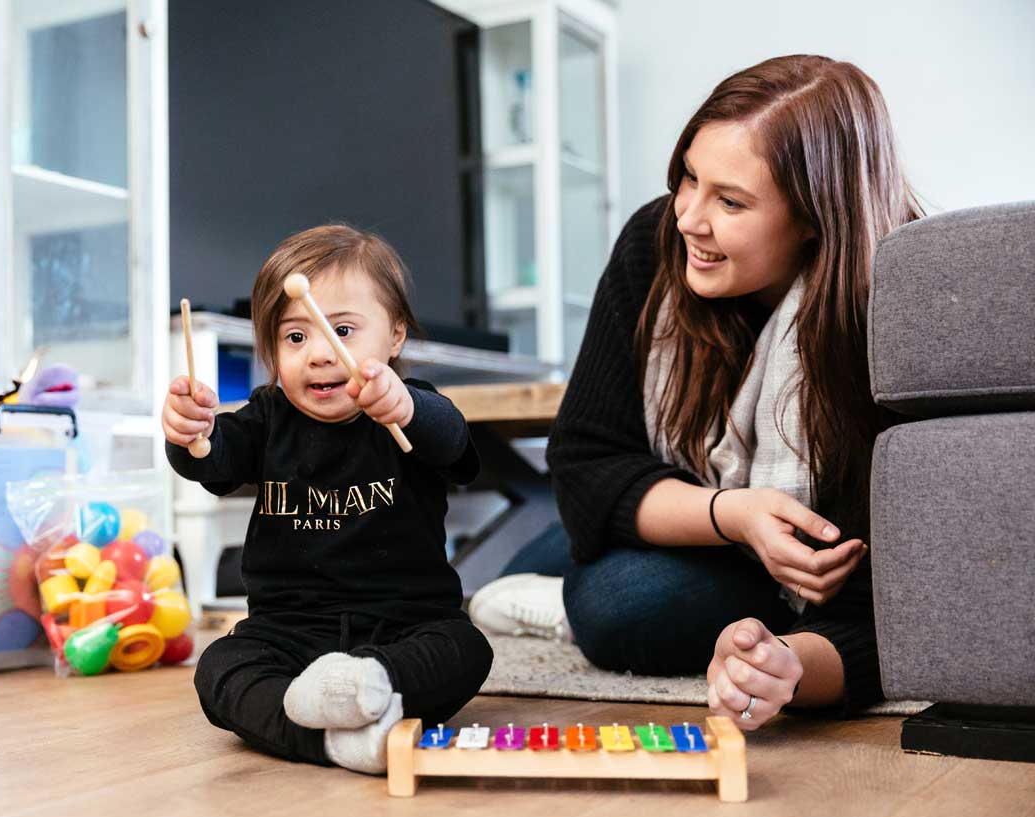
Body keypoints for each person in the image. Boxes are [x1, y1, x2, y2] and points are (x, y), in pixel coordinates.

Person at [469, 55, 922, 729]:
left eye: (730, 201)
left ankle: (577, 604)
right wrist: (736, 514)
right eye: (689, 176)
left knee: (621, 603)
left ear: (815, 218)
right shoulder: (654, 247)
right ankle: (557, 592)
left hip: (779, 581)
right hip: (698, 513)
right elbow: (586, 465)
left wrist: (782, 664)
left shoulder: (896, 315)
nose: (688, 218)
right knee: (542, 558)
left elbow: (900, 615)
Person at [164, 224, 491, 773]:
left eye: (340, 329)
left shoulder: (413, 410)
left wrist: (406, 405)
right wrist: (189, 432)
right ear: (271, 350)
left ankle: (368, 685)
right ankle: (335, 741)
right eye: (295, 338)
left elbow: (455, 444)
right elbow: (215, 462)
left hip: (403, 628)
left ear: (395, 336)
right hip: (286, 632)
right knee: (219, 666)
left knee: (467, 648)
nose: (318, 353)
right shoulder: (267, 417)